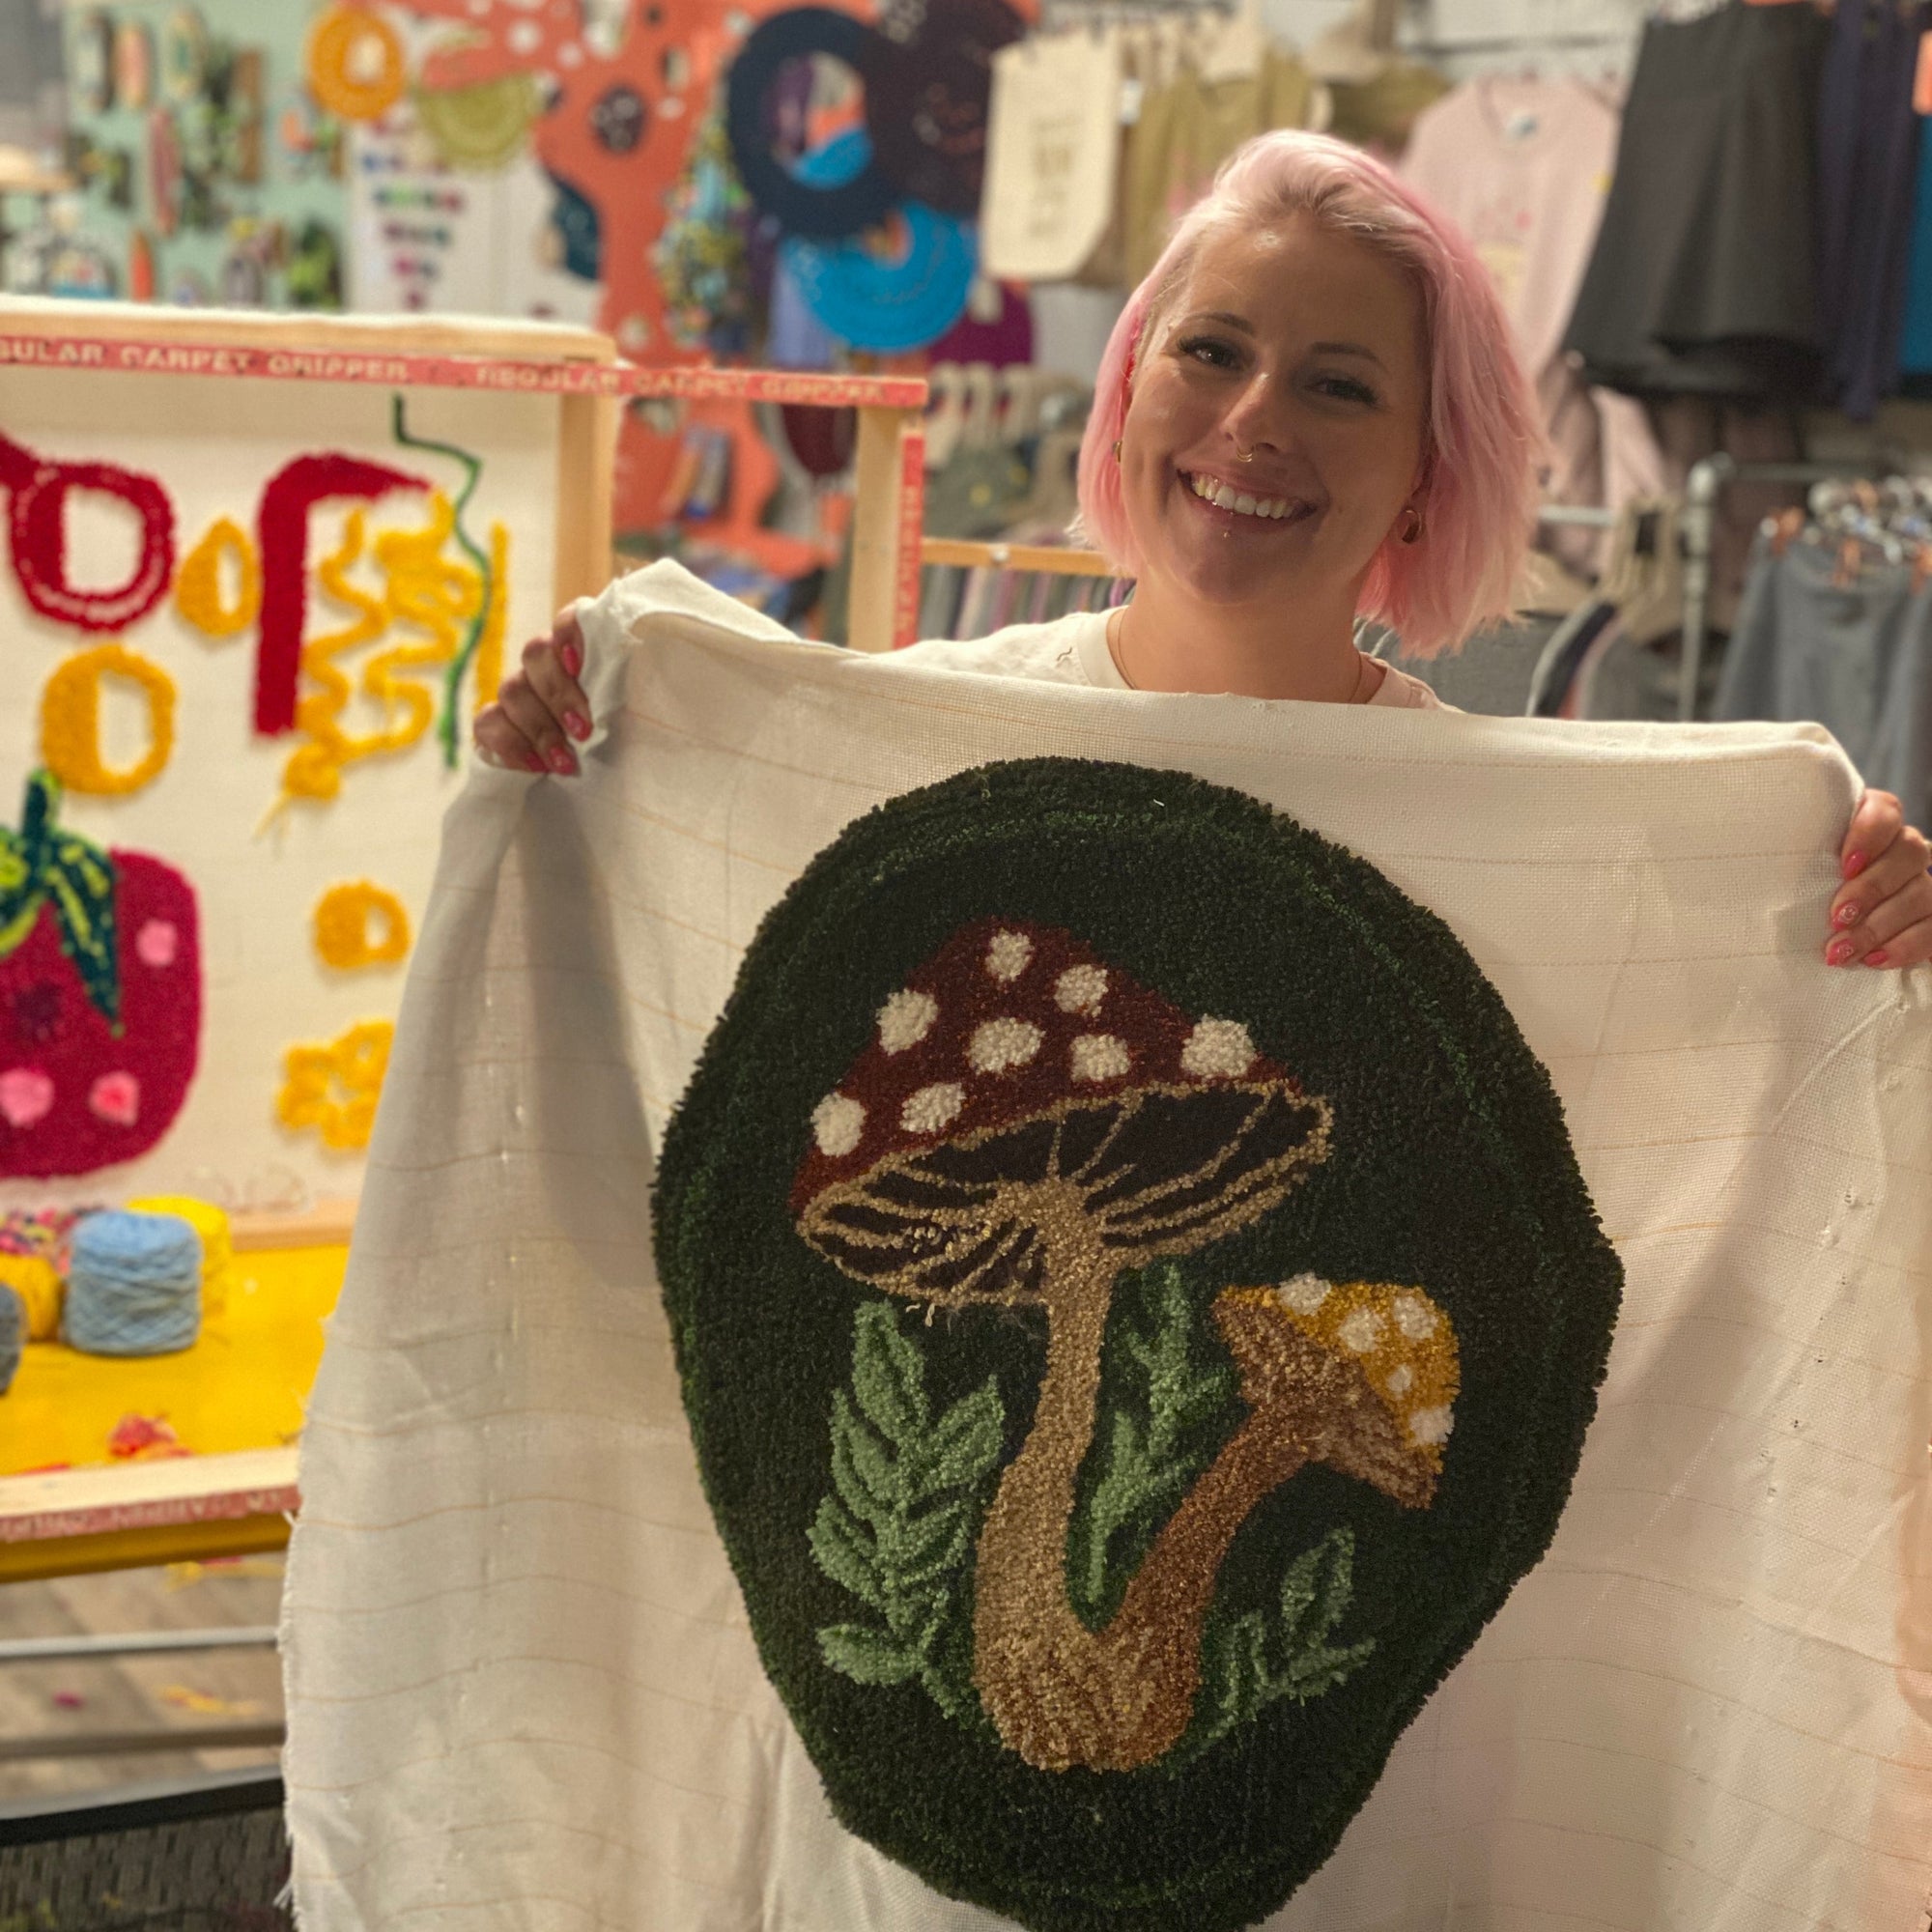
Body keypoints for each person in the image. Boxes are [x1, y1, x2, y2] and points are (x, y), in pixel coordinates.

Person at [476, 130, 1932, 972]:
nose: (1252, 421)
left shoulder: (1501, 842)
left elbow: (1699, 1153)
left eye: (1341, 384)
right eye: (1212, 352)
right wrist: (573, 766)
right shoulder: (913, 741)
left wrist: (1876, 940)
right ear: (1126, 392)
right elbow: (663, 995)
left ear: (1431, 474)